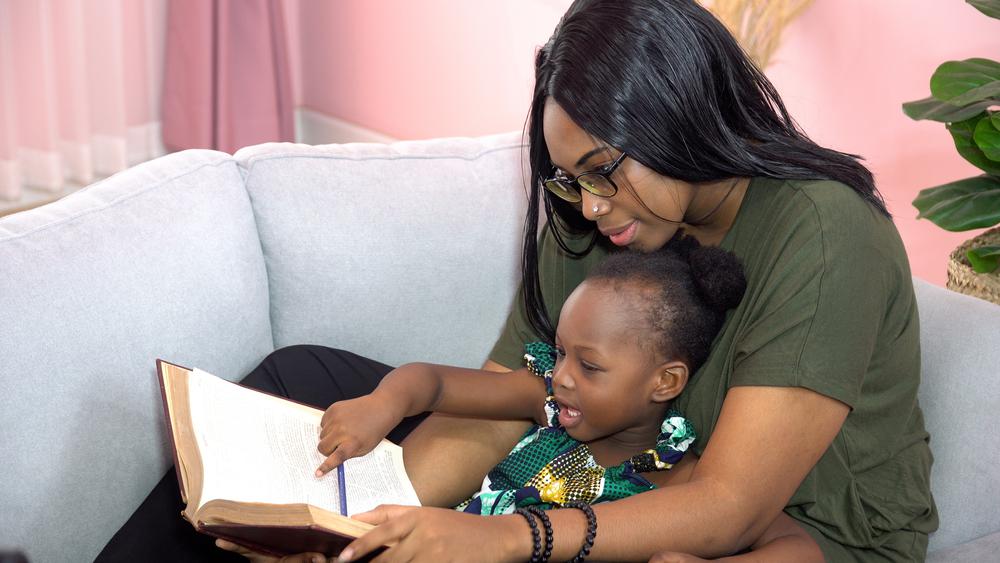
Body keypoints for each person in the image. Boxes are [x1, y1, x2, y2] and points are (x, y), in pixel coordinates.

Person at [100, 0, 937, 561]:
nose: (589, 203)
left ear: (680, 116)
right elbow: (510, 400)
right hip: (602, 456)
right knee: (297, 377)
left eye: (603, 171)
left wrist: (498, 538)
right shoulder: (595, 212)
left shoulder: (822, 232)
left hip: (797, 530)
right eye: (570, 178)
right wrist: (370, 524)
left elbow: (732, 506)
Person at [299, 236, 822, 563]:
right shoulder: (542, 402)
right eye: (562, 353)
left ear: (665, 382)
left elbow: (799, 548)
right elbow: (431, 382)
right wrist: (385, 403)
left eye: (589, 366)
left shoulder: (679, 479)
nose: (564, 376)